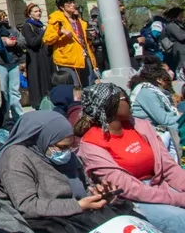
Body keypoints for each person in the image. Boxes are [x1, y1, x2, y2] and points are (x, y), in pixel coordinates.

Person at [0, 111, 138, 233]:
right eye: (61, 147)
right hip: (48, 222)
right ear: (41, 139)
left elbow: (84, 186)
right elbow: (27, 206)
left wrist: (98, 193)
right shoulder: (17, 158)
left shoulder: (69, 157)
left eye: (69, 147)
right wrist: (78, 206)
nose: (66, 153)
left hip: (80, 214)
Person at [75, 82, 185, 233]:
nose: (129, 101)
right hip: (134, 200)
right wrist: (177, 199)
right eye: (124, 98)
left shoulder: (140, 126)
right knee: (179, 220)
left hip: (160, 186)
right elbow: (126, 187)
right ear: (110, 106)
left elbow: (168, 166)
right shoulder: (91, 144)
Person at [43, 0, 98, 87]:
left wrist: (90, 35)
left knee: (88, 86)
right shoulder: (56, 20)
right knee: (74, 88)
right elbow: (47, 39)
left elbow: (82, 38)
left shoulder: (79, 21)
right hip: (67, 59)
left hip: (84, 56)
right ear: (62, 7)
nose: (73, 5)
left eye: (73, 2)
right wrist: (60, 32)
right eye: (69, 3)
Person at [129, 62, 181, 162]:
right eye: (167, 73)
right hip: (153, 134)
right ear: (159, 80)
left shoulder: (155, 92)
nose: (171, 74)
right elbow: (163, 119)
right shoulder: (147, 92)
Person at [0, 10, 25, 121]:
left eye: (5, 16)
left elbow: (24, 42)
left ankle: (18, 116)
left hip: (13, 63)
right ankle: (5, 117)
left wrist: (15, 42)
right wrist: (4, 42)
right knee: (3, 92)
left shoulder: (12, 30)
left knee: (15, 91)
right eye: (1, 17)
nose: (4, 19)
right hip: (0, 63)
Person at [23, 3, 54, 110]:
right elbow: (32, 42)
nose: (38, 13)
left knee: (47, 79)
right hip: (35, 58)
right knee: (37, 80)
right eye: (35, 11)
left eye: (39, 11)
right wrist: (43, 32)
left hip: (44, 56)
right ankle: (39, 104)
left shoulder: (40, 25)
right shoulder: (27, 26)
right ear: (29, 14)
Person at [163, 7, 185, 78]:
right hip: (179, 51)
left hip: (182, 49)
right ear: (176, 15)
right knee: (181, 67)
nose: (182, 16)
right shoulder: (171, 26)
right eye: (181, 15)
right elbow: (180, 37)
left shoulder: (179, 24)